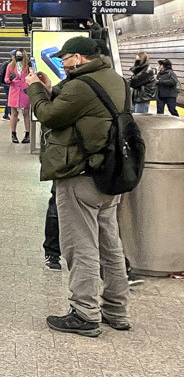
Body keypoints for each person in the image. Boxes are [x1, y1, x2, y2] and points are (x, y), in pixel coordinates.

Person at [25, 37, 131, 336]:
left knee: (80, 245)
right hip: (109, 174)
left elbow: (48, 115)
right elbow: (77, 108)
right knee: (110, 244)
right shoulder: (116, 80)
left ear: (80, 58)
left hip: (80, 174)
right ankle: (116, 309)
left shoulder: (80, 86)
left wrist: (34, 88)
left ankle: (85, 313)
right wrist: (49, 89)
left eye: (66, 58)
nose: (62, 62)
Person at [5, 49, 32, 144]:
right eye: (17, 55)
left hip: (25, 91)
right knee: (14, 113)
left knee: (26, 113)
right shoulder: (10, 65)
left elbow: (33, 76)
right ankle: (13, 133)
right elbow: (6, 79)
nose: (18, 57)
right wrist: (10, 79)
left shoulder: (28, 66)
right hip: (14, 91)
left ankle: (28, 134)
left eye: (20, 55)